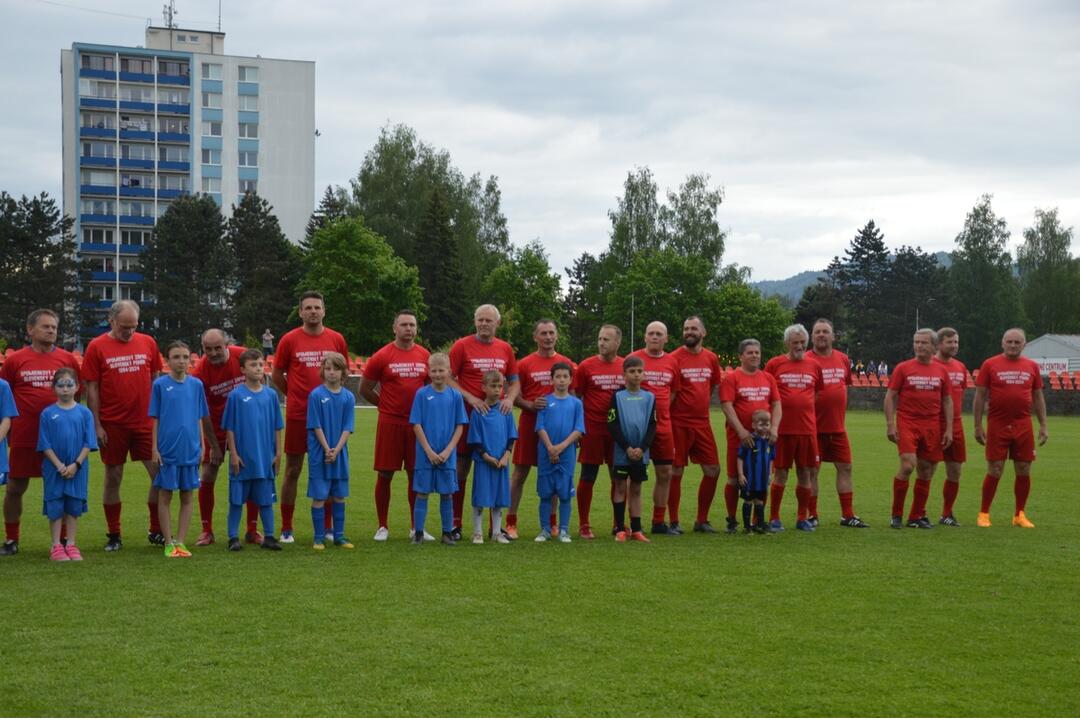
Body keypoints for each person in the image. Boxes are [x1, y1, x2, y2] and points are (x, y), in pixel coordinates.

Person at [81, 300, 163, 551]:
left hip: (144, 422)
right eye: (124, 327)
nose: (129, 331)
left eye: (133, 326)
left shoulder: (148, 342)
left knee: (159, 474)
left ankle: (156, 529)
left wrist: (158, 417)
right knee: (113, 476)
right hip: (113, 423)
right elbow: (92, 388)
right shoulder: (96, 346)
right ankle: (114, 534)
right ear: (111, 321)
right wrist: (97, 424)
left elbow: (156, 379)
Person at [1, 309, 81, 556]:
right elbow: (4, 396)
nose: (51, 331)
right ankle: (11, 539)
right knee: (15, 487)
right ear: (30, 330)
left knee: (63, 488)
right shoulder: (15, 361)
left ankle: (63, 540)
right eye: (45, 326)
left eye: (54, 327)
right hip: (25, 435)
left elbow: (76, 397)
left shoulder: (67, 359)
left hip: (60, 439)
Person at [272, 291, 349, 543]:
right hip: (299, 415)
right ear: (301, 312)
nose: (313, 311)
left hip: (330, 419)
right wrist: (295, 396)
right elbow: (277, 375)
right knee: (293, 469)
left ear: (324, 310)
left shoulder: (336, 339)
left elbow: (344, 372)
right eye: (308, 308)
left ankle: (327, 528)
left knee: (328, 468)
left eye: (317, 307)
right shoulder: (289, 340)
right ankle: (287, 527)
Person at [448, 304, 520, 540]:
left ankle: (494, 528)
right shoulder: (461, 345)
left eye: (488, 320)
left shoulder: (505, 348)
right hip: (467, 416)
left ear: (497, 323)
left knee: (495, 467)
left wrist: (509, 399)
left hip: (495, 421)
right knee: (462, 468)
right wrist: (470, 397)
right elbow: (448, 378)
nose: (483, 324)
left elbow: (514, 381)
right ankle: (456, 524)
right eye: (480, 320)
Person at [359, 310, 430, 541]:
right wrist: (385, 405)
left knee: (415, 474)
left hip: (416, 425)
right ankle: (382, 526)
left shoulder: (424, 355)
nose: (408, 329)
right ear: (394, 328)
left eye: (412, 325)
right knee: (385, 473)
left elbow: (431, 388)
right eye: (404, 325)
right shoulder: (382, 356)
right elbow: (364, 388)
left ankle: (416, 526)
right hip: (390, 423)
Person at [973, 328, 1049, 528]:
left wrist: (1043, 425)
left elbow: (1038, 396)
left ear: (1024, 344)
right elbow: (980, 396)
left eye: (1017, 342)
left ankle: (1019, 514)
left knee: (1024, 468)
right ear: (1002, 343)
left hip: (1023, 424)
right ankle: (984, 513)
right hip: (997, 424)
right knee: (995, 468)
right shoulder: (990, 364)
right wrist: (977, 425)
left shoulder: (1031, 366)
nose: (1013, 345)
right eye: (1009, 341)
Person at [191, 330, 260, 546]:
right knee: (208, 472)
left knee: (252, 474)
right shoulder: (200, 372)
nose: (213, 353)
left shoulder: (243, 357)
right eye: (208, 349)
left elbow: (260, 389)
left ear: (227, 344)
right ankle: (207, 530)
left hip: (245, 428)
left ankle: (252, 530)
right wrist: (214, 446)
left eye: (217, 348)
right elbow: (203, 413)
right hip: (216, 428)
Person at [506, 319, 574, 539]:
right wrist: (530, 405)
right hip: (530, 424)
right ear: (535, 337)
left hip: (557, 428)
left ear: (557, 335)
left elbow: (573, 396)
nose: (548, 337)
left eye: (551, 333)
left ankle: (552, 524)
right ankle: (510, 522)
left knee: (554, 474)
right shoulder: (525, 364)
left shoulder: (566, 363)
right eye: (543, 333)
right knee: (520, 473)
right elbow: (514, 395)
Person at [884, 329, 953, 530]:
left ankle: (916, 516)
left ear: (934, 346)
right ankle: (896, 514)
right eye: (916, 342)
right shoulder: (903, 368)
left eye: (924, 342)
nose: (919, 346)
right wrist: (890, 424)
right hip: (908, 422)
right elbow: (890, 396)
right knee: (908, 466)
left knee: (926, 470)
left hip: (932, 425)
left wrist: (949, 429)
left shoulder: (941, 371)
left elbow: (947, 401)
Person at [149, 341, 209, 558]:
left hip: (190, 449)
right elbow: (155, 419)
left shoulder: (196, 385)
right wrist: (154, 448)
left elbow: (199, 417)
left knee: (187, 495)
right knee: (165, 495)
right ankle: (168, 541)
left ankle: (181, 541)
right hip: (168, 450)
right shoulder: (160, 385)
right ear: (167, 360)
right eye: (176, 357)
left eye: (185, 357)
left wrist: (202, 445)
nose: (181, 361)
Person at [807, 319, 868, 528]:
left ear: (833, 336)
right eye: (817, 332)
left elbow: (845, 386)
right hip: (813, 428)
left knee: (845, 467)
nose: (821, 335)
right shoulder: (806, 360)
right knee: (811, 471)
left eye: (825, 331)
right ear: (812, 337)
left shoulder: (842, 359)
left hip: (838, 428)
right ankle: (812, 515)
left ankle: (847, 515)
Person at [223, 349, 284, 551]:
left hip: (264, 459)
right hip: (242, 460)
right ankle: (233, 537)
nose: (258, 368)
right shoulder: (236, 396)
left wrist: (278, 453)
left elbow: (277, 427)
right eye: (253, 365)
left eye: (260, 364)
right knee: (236, 501)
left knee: (266, 500)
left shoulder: (271, 395)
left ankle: (269, 536)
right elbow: (230, 427)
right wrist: (234, 454)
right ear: (243, 370)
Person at [764, 324, 823, 532]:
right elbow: (767, 392)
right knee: (780, 472)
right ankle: (774, 517)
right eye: (795, 342)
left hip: (807, 429)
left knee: (805, 472)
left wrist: (802, 406)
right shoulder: (774, 364)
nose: (799, 346)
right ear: (787, 343)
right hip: (782, 429)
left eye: (802, 342)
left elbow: (817, 392)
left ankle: (802, 517)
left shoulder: (814, 365)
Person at [719, 339, 782, 533]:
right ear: (741, 356)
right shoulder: (732, 378)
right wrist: (741, 431)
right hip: (739, 438)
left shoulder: (768, 378)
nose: (754, 355)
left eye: (757, 352)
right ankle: (732, 520)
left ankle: (757, 521)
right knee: (734, 478)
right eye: (750, 352)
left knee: (761, 477)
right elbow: (727, 405)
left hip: (763, 441)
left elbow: (777, 404)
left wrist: (774, 428)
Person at [669, 316, 723, 534]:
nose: (689, 332)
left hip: (702, 423)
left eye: (693, 328)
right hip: (678, 422)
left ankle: (701, 520)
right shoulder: (674, 358)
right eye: (686, 328)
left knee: (713, 469)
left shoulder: (711, 358)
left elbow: (712, 386)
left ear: (703, 332)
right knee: (675, 471)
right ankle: (673, 521)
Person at [36, 368, 96, 561]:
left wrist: (76, 465)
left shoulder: (84, 413)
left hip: (78, 469)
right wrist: (59, 465)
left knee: (73, 505)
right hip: (54, 469)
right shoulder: (47, 414)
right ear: (54, 388)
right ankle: (56, 545)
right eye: (61, 385)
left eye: (69, 385)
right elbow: (44, 443)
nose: (65, 389)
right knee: (55, 505)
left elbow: (89, 442)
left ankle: (71, 543)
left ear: (77, 387)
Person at [409, 353, 468, 546]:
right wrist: (428, 450)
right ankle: (418, 533)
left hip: (447, 456)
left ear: (449, 371)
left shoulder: (455, 396)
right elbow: (416, 424)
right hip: (425, 455)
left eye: (441, 370)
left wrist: (448, 451)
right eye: (433, 371)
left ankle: (446, 533)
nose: (437, 374)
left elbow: (460, 426)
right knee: (422, 493)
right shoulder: (421, 394)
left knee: (447, 494)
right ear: (428, 372)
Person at [630, 321, 682, 535]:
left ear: (666, 339)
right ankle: (631, 523)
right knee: (634, 476)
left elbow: (673, 392)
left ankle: (658, 522)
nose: (654, 337)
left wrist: (660, 411)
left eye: (659, 334)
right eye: (651, 333)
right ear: (644, 337)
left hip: (663, 426)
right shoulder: (634, 358)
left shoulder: (672, 362)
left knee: (665, 472)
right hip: (638, 428)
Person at [573, 325, 625, 539]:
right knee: (588, 475)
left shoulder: (625, 365)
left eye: (606, 339)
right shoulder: (586, 366)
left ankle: (618, 523)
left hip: (617, 431)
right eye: (600, 339)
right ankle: (584, 524)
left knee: (618, 477)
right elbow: (577, 397)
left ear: (617, 342)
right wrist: (578, 428)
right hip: (592, 429)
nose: (601, 343)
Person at [307, 352, 355, 550]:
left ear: (343, 372)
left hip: (339, 453)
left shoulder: (348, 397)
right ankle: (318, 537)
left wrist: (337, 450)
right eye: (328, 368)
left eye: (336, 369)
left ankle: (339, 536)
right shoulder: (316, 395)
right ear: (322, 371)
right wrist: (328, 449)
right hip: (320, 454)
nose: (332, 372)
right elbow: (315, 425)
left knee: (339, 495)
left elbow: (348, 427)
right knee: (319, 496)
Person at [534, 362, 584, 543]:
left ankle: (564, 530)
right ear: (552, 379)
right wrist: (550, 448)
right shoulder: (545, 402)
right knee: (545, 494)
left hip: (566, 455)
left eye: (565, 376)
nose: (562, 380)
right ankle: (545, 530)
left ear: (570, 380)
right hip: (546, 454)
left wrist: (561, 447)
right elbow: (539, 427)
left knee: (565, 494)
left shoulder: (576, 403)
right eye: (558, 376)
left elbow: (579, 429)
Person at [607, 355, 655, 543]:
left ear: (644, 374)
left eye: (639, 371)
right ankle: (620, 529)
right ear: (624, 375)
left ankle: (636, 529)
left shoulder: (649, 397)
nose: (636, 375)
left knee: (636, 489)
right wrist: (626, 447)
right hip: (622, 452)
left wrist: (642, 448)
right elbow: (612, 424)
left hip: (641, 453)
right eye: (632, 371)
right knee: (620, 487)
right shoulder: (617, 397)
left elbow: (652, 425)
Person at [467, 370, 517, 545]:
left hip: (501, 462)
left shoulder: (506, 411)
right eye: (493, 386)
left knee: (499, 497)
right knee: (481, 496)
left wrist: (506, 456)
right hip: (484, 462)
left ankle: (496, 532)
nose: (497, 390)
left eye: (500, 386)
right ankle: (477, 532)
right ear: (484, 388)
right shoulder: (478, 412)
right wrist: (485, 456)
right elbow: (474, 439)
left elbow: (511, 437)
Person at [934, 327, 968, 526]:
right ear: (939, 344)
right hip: (933, 423)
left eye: (956, 342)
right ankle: (918, 512)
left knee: (955, 471)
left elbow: (960, 393)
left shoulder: (960, 367)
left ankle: (946, 513)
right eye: (950, 342)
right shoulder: (931, 365)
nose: (954, 346)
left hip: (956, 424)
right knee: (926, 470)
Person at [737, 409, 775, 534]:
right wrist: (740, 474)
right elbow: (740, 458)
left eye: (767, 424)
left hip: (762, 478)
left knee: (759, 501)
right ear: (753, 425)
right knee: (748, 501)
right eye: (761, 424)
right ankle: (747, 527)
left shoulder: (769, 441)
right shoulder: (749, 440)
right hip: (749, 478)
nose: (764, 427)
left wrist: (769, 474)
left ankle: (760, 525)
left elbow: (771, 458)